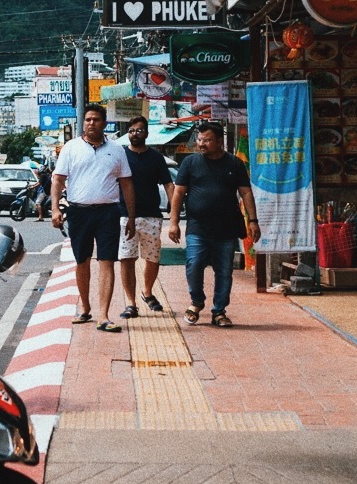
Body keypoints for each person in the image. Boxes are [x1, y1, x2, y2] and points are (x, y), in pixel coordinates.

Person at [166, 120, 261, 327]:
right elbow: (179, 192)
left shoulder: (234, 164)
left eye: (207, 140)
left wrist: (253, 221)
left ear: (220, 141)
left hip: (226, 228)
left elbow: (245, 192)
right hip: (197, 227)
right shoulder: (190, 163)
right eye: (200, 139)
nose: (201, 144)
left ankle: (219, 311)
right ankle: (196, 302)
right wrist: (173, 223)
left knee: (224, 270)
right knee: (194, 264)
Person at [52, 103, 134, 332]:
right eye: (87, 119)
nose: (91, 123)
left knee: (107, 261)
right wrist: (55, 209)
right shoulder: (71, 148)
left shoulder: (117, 150)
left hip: (108, 212)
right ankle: (86, 307)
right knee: (82, 261)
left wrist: (132, 217)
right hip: (78, 211)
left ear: (104, 123)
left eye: (96, 120)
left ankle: (104, 315)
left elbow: (126, 184)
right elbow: (57, 180)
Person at [120, 116, 174, 316]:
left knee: (152, 258)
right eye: (132, 130)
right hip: (125, 216)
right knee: (127, 258)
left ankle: (147, 292)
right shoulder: (121, 155)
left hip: (152, 215)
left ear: (147, 133)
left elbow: (169, 184)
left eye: (139, 130)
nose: (135, 134)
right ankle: (130, 302)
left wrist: (174, 211)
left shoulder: (156, 158)